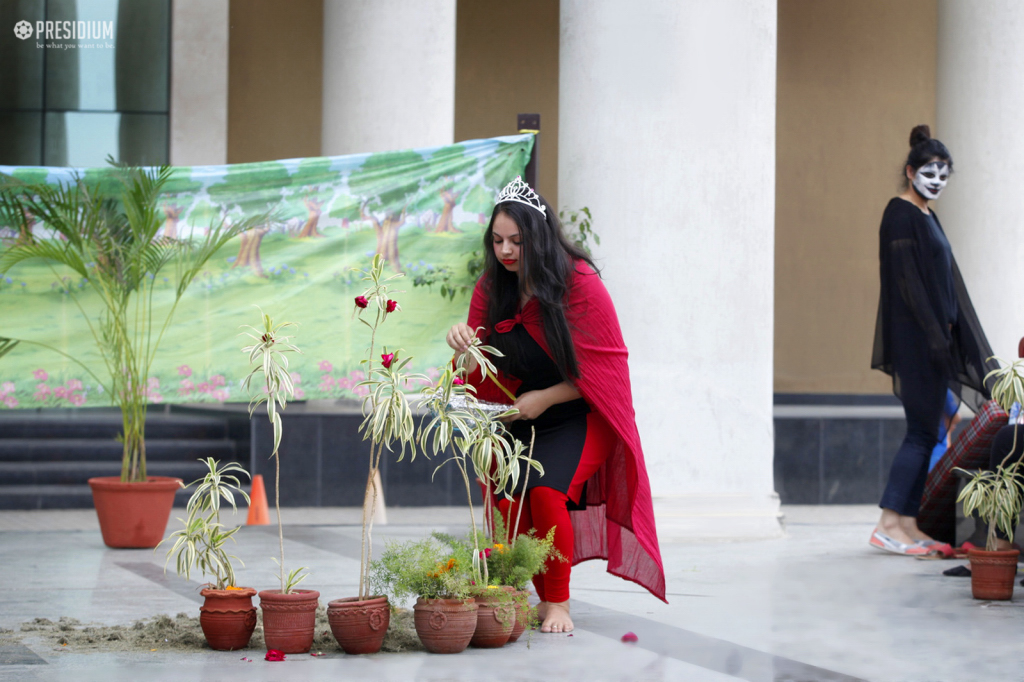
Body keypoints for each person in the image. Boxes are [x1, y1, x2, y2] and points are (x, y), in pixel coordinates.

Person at [446, 176, 666, 633]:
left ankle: (559, 604)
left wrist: (545, 398)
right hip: (518, 414)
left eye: (517, 242)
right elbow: (477, 370)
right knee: (509, 503)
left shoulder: (580, 284)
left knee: (547, 493)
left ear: (539, 238)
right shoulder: (493, 287)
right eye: (498, 241)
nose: (506, 252)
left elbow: (607, 373)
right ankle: (522, 596)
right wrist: (463, 347)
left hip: (580, 413)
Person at [870, 125, 996, 556]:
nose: (937, 180)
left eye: (944, 173)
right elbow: (909, 285)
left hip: (934, 341)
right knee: (920, 433)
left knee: (927, 431)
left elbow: (945, 282)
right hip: (918, 343)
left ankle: (908, 523)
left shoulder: (926, 215)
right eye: (929, 171)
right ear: (910, 171)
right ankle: (889, 524)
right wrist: (933, 339)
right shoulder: (900, 214)